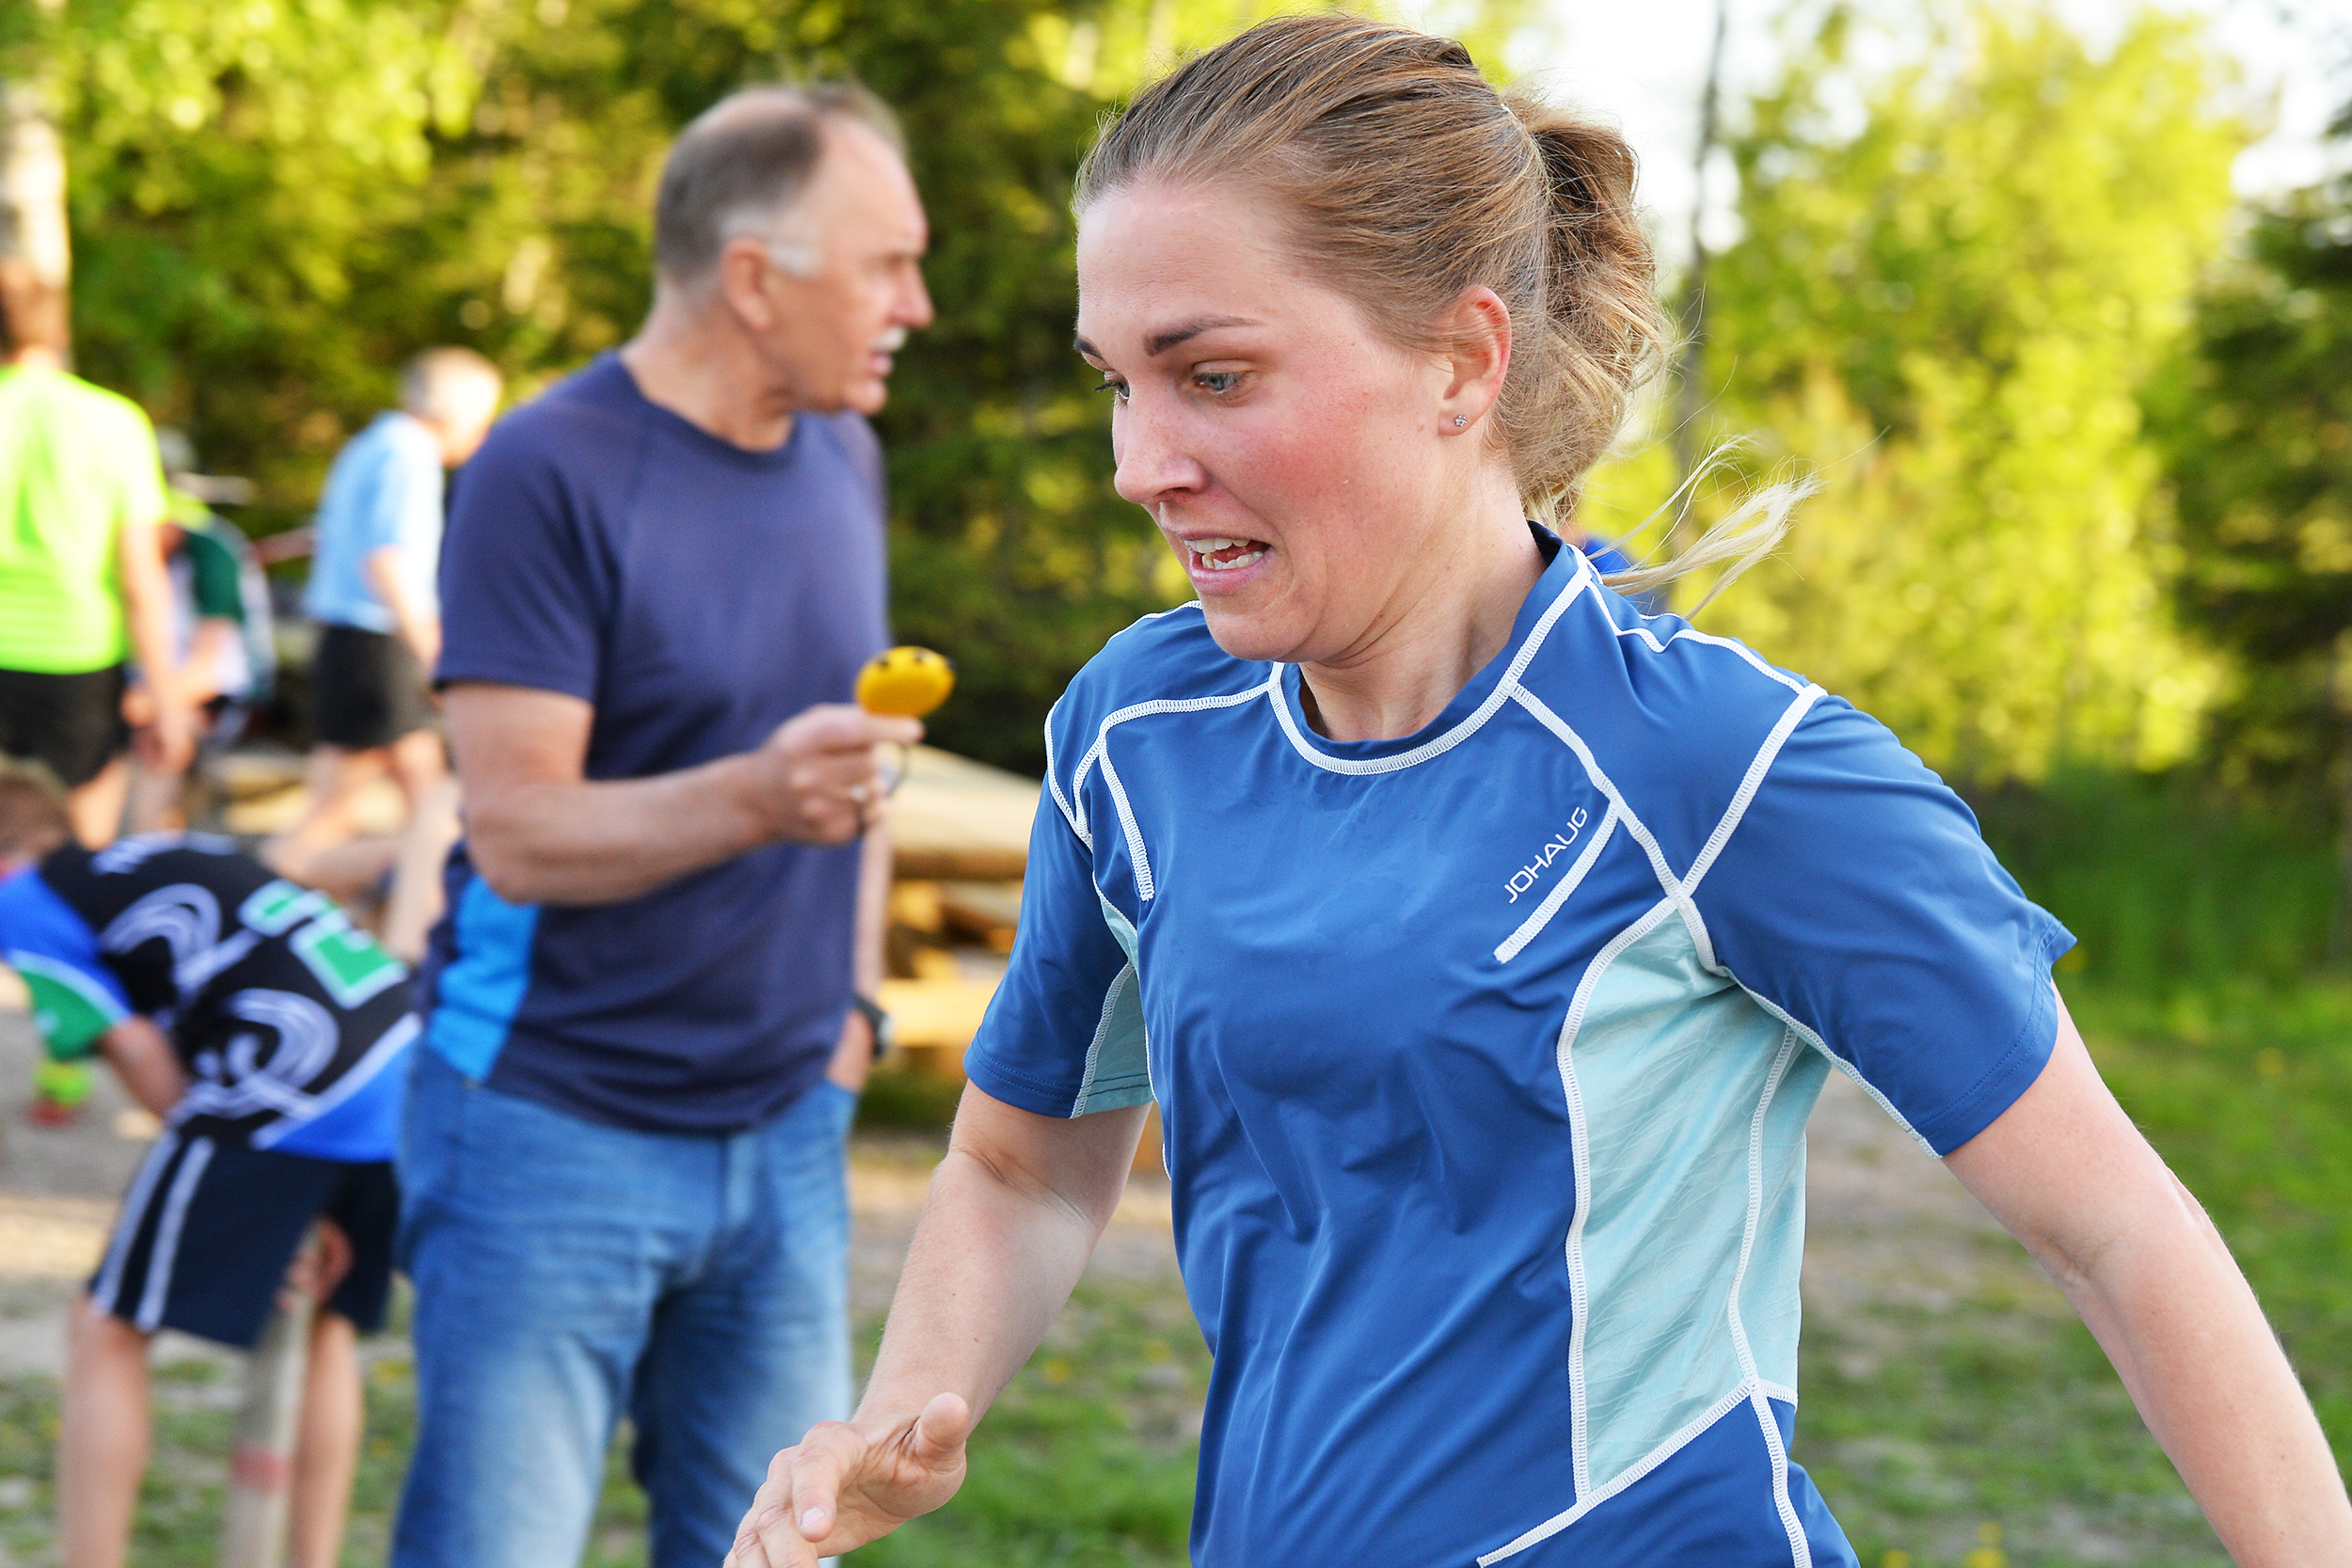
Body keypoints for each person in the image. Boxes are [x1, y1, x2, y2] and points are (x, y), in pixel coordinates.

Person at [726, 18, 2352, 1568]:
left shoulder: (1725, 769)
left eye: (1210, 376)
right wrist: (896, 1423)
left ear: (1461, 359)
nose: (1140, 461)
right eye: (1115, 382)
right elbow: (1028, 1164)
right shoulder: (1137, 733)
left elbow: (2119, 1231)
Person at [390, 81, 930, 1568]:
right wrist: (761, 791)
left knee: (773, 1554)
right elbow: (516, 832)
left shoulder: (845, 455)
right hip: (547, 1124)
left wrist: (853, 1014)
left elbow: (860, 760)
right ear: (755, 279)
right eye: (887, 263)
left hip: (787, 1125)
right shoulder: (541, 469)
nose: (919, 304)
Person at [0, 757, 413, 1568]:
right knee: (328, 1323)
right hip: (399, 1064)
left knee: (108, 1326)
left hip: (291, 1080)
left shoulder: (22, 899)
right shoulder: (156, 852)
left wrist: (247, 1178)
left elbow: (139, 1052)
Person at [268, 347, 500, 884]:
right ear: (455, 411)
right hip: (374, 644)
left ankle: (417, 918)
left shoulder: (374, 444)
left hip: (358, 641)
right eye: (482, 418)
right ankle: (258, 899)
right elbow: (388, 561)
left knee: (430, 800)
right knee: (334, 812)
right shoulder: (408, 455)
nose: (484, 434)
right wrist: (436, 655)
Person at [0, 261, 193, 849]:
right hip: (78, 657)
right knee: (77, 851)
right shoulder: (113, 422)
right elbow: (141, 578)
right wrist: (165, 695)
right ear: (58, 334)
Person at [124, 483, 278, 832]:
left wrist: (145, 704)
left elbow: (207, 670)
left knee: (164, 734)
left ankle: (146, 847)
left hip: (222, 691)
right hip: (156, 685)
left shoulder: (210, 552)